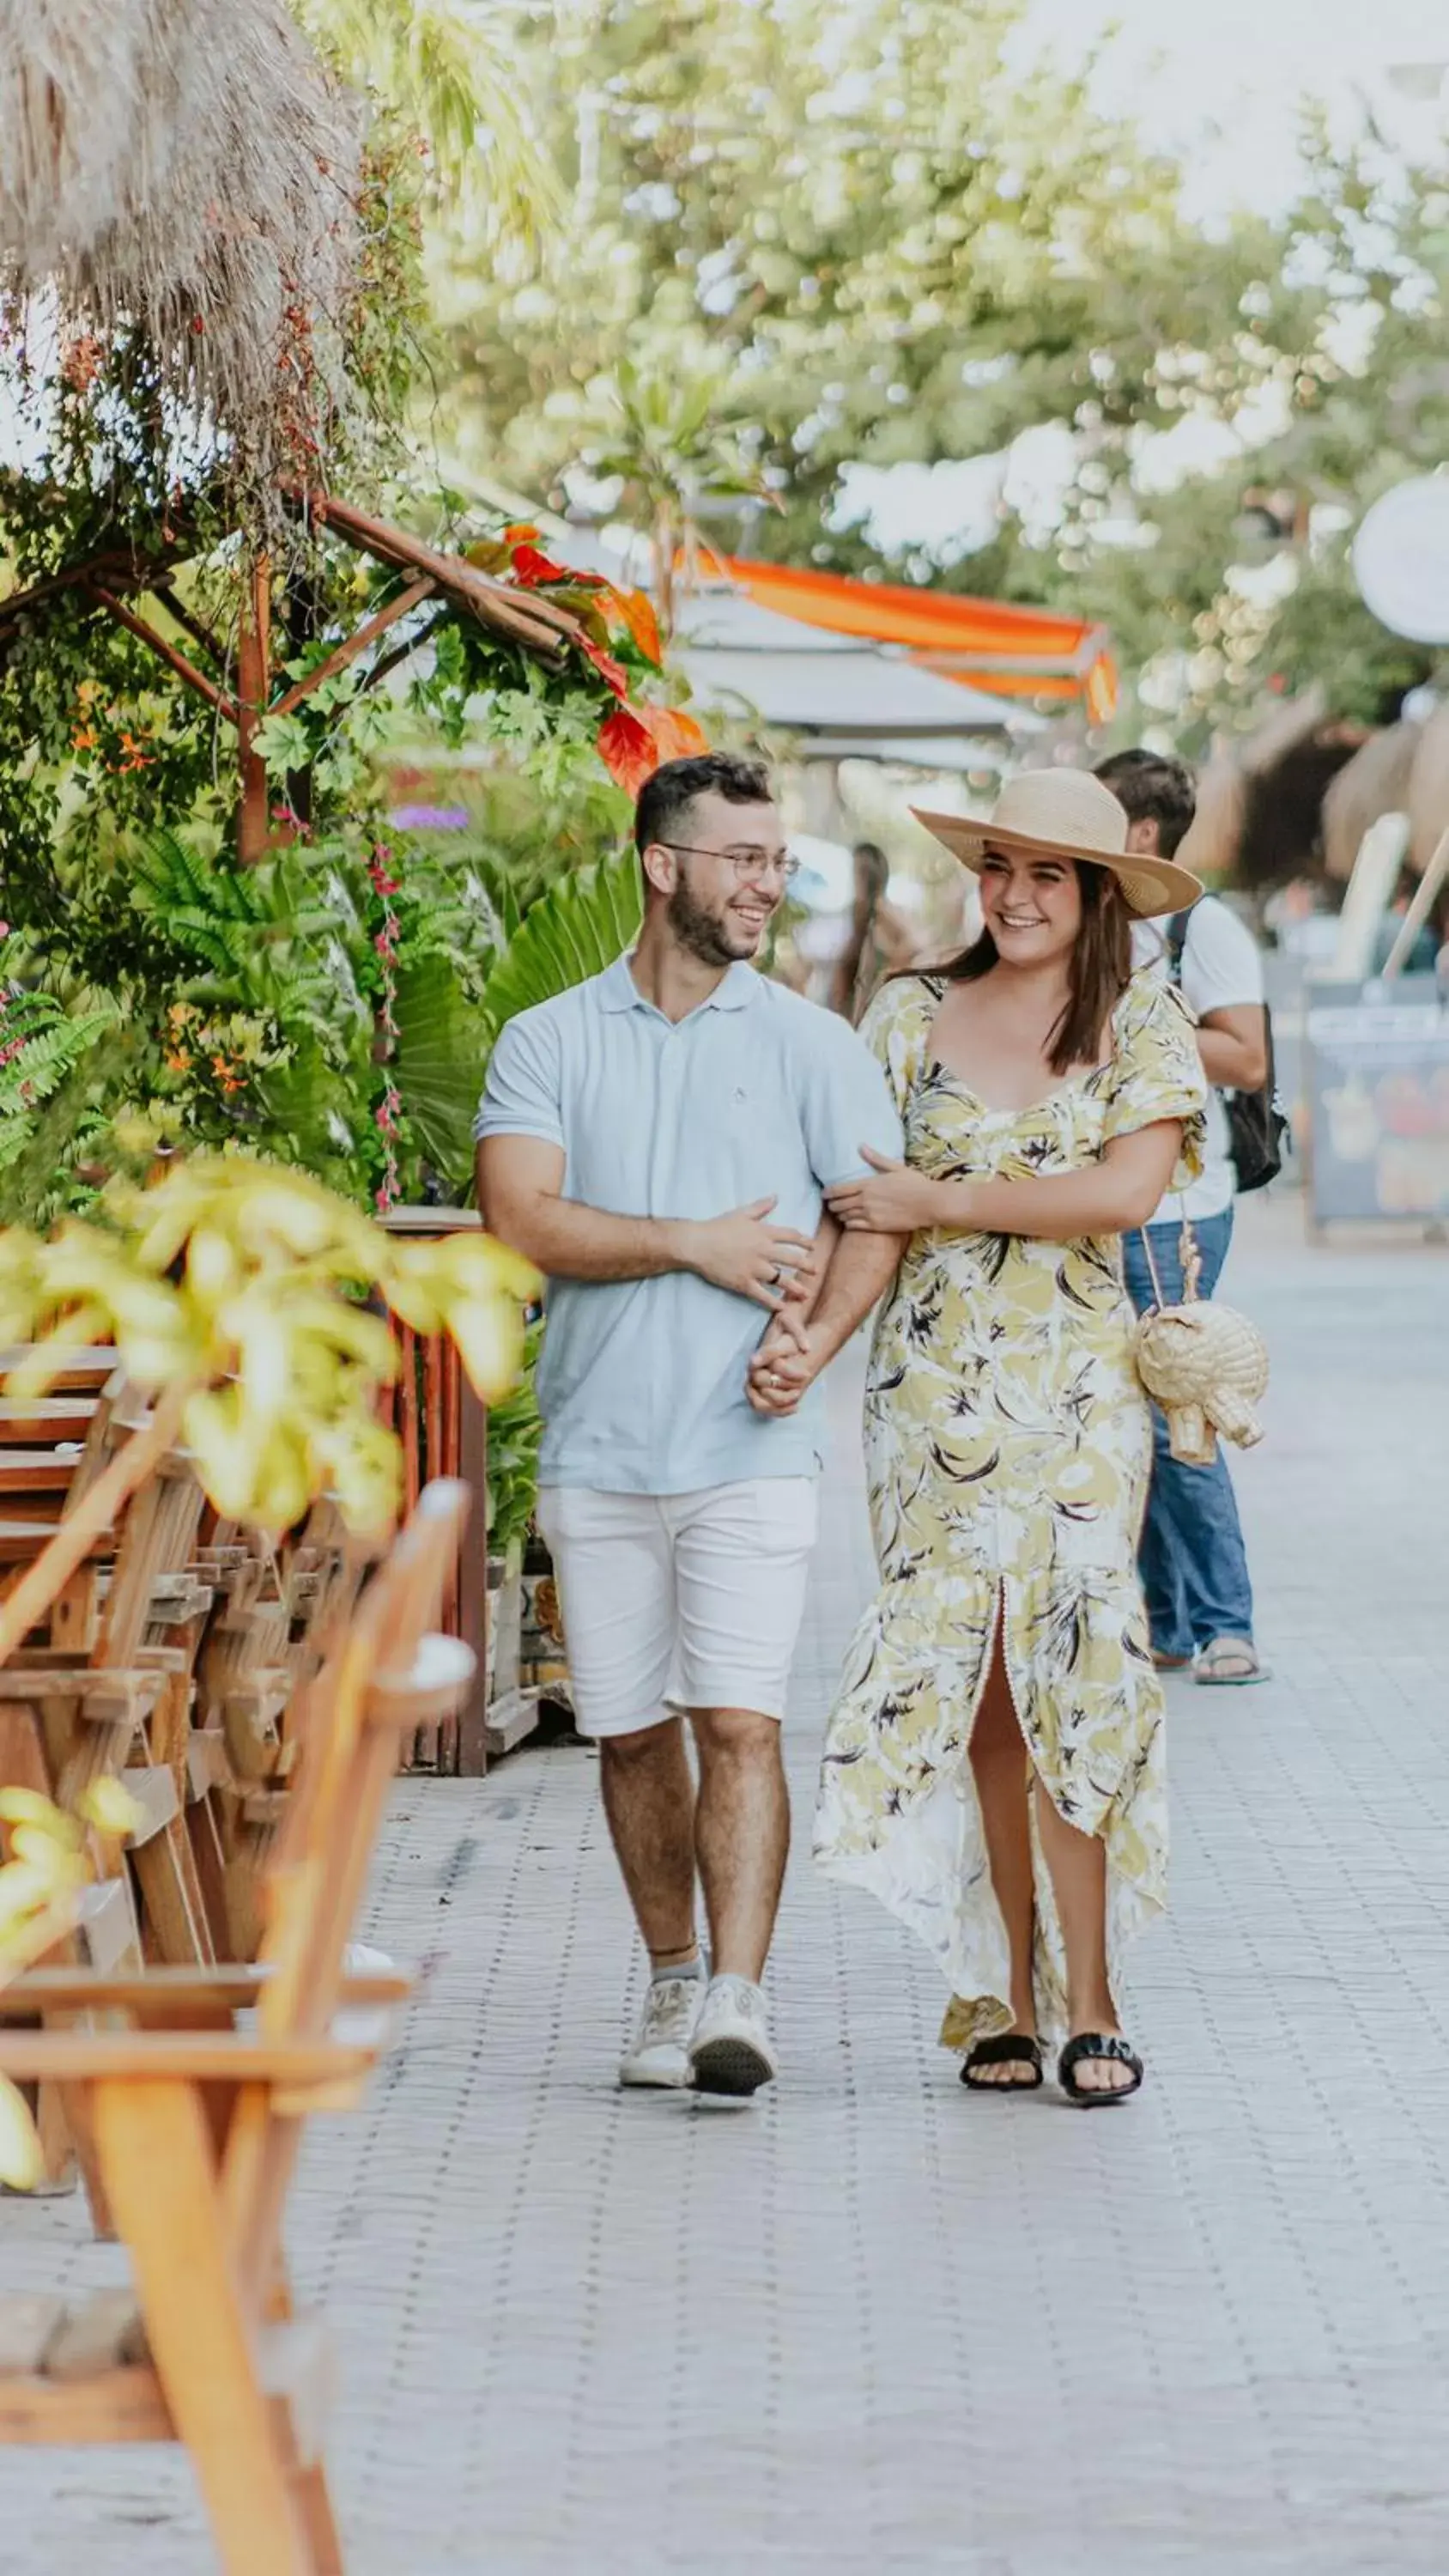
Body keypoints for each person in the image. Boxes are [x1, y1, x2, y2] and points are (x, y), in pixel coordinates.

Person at [749, 769, 1207, 2103]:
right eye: (997, 866)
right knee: (983, 1689)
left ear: (1099, 891)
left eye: (1046, 874)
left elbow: (1122, 1192)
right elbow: (859, 1210)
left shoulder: (1140, 1019)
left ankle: (1099, 2005)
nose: (1011, 894)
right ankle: (1005, 1991)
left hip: (1075, 1399)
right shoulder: (904, 1015)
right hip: (930, 1394)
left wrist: (936, 1193)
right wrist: (808, 1343)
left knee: (1079, 1665)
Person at [475, 753, 903, 2100]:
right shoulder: (548, 1039)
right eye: (742, 859)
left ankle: (738, 1994)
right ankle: (667, 1978)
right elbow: (521, 1216)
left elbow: (872, 1214)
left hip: (750, 1456)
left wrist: (815, 1339)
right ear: (664, 866)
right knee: (627, 1732)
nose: (768, 883)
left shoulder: (810, 1043)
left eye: (778, 861)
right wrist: (696, 1250)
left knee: (739, 1722)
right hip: (597, 1452)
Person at [1094, 749, 1270, 1687]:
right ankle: (1166, 1621)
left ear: (1141, 833)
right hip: (1113, 1192)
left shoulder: (1203, 927)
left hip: (1180, 1204)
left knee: (1177, 1405)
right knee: (1132, 1408)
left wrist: (1120, 1025)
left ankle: (1223, 1623)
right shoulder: (1104, 922)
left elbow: (1243, 1056)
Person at [828, 841, 918, 1022]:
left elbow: (915, 942)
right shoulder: (859, 910)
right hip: (849, 1008)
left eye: (860, 872)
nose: (854, 878)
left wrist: (889, 971)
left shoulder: (881, 907)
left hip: (868, 1008)